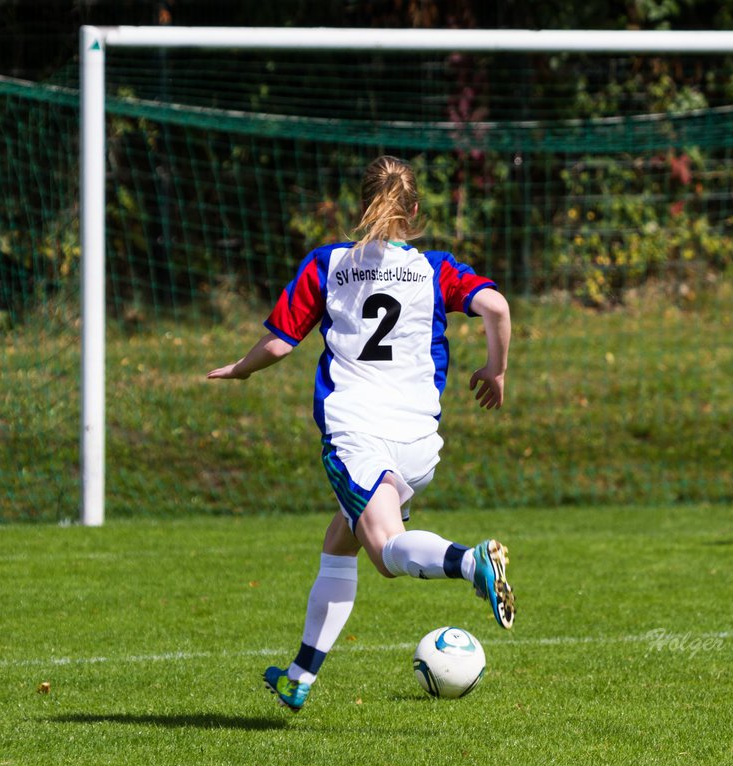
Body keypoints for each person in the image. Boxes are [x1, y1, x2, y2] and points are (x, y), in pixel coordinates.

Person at [207, 155, 515, 711]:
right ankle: (300, 674)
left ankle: (470, 562)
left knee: (386, 553)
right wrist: (496, 369)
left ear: (362, 205)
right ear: (415, 211)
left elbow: (280, 343)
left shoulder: (329, 264)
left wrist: (240, 368)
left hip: (357, 433)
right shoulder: (436, 268)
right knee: (339, 542)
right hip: (420, 441)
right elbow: (495, 304)